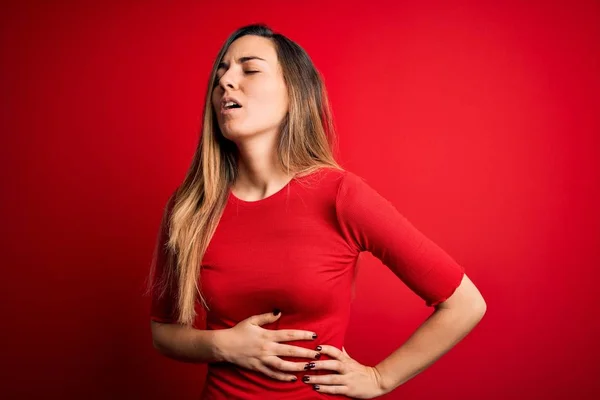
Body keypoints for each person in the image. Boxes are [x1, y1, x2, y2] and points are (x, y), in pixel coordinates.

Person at [147, 23, 486, 399]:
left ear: (294, 93)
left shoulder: (340, 195)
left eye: (250, 68)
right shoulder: (190, 207)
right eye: (221, 72)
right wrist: (223, 345)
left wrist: (379, 378)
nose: (227, 80)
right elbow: (164, 333)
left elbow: (465, 304)